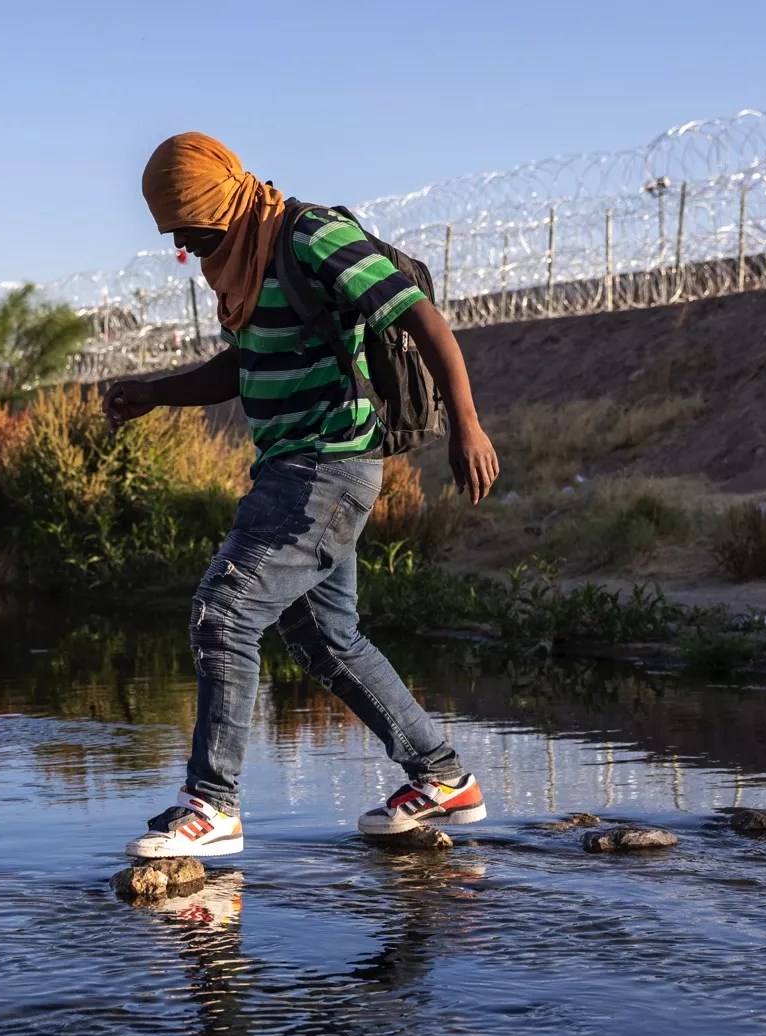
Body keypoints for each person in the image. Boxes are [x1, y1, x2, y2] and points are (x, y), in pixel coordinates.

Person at [104, 132, 501, 860]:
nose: (184, 249)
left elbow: (419, 315)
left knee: (224, 613)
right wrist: (155, 393)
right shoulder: (249, 261)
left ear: (220, 197)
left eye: (190, 229)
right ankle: (445, 778)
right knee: (323, 637)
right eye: (174, 236)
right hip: (292, 469)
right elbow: (245, 364)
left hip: (325, 469)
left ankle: (213, 805)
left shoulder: (311, 236)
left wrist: (466, 426)